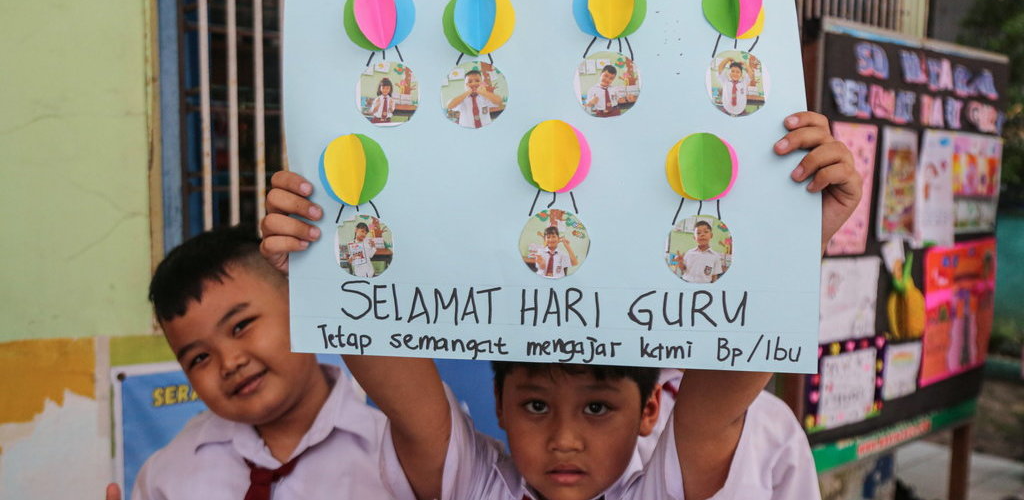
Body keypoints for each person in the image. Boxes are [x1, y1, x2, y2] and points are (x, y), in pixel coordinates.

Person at [260, 111, 861, 500]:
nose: (564, 439)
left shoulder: (663, 491)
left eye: (598, 407)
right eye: (536, 404)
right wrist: (331, 255)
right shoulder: (476, 486)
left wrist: (801, 238)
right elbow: (400, 388)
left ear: (652, 408)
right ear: (498, 402)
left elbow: (726, 394)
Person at [122, 226, 389, 500]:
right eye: (199, 358)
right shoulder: (166, 478)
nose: (229, 363)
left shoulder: (396, 458)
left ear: (299, 305)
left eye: (241, 326)